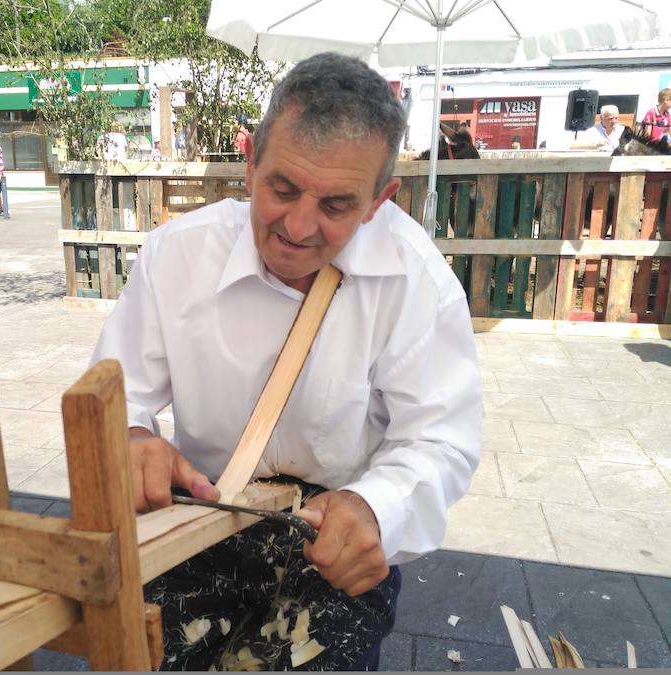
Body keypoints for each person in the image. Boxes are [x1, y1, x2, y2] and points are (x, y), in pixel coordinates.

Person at [89, 52, 481, 670]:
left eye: (336, 206)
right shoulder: (178, 256)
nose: (298, 227)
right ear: (250, 163)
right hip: (204, 520)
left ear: (380, 199)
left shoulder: (418, 285)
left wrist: (376, 505)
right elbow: (114, 393)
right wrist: (132, 437)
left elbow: (440, 442)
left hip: (332, 540)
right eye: (283, 189)